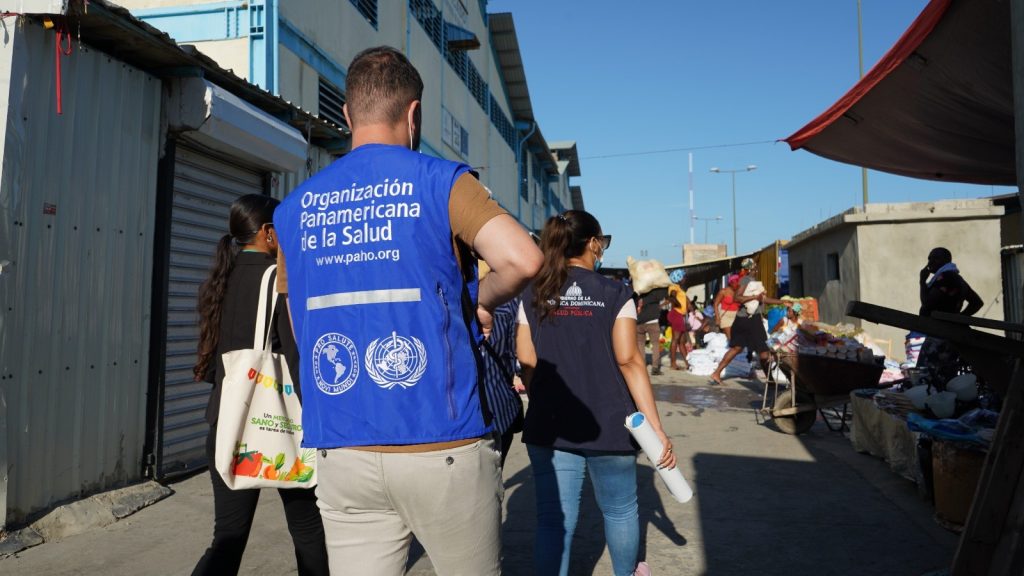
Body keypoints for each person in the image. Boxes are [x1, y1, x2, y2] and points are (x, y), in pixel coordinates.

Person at [272, 46, 542, 575]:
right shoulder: (441, 182)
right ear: (414, 114)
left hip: (340, 445)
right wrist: (480, 302)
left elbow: (300, 326)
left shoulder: (293, 209)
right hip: (440, 441)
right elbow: (523, 259)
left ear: (347, 115)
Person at [515, 210, 676, 576]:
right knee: (620, 511)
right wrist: (655, 428)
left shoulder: (535, 291)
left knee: (554, 522)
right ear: (592, 243)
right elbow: (630, 360)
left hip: (550, 423)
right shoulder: (615, 292)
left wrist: (541, 391)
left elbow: (526, 356)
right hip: (610, 421)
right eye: (602, 242)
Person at [192, 194, 328, 576]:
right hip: (282, 424)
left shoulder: (221, 276)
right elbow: (297, 360)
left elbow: (211, 363)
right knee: (307, 530)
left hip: (228, 422)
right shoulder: (278, 280)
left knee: (228, 536)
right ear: (269, 232)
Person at [710, 258, 792, 385]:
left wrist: (782, 302)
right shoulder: (747, 280)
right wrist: (755, 297)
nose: (756, 270)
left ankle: (716, 373)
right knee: (764, 352)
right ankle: (770, 380)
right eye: (754, 268)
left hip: (741, 320)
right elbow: (737, 298)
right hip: (751, 320)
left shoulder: (750, 281)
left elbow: (763, 299)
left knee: (737, 348)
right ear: (752, 269)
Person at [478, 261, 525, 467]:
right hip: (497, 406)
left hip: (452, 413)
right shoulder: (508, 302)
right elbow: (518, 353)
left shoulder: (443, 300)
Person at [916, 247, 984, 386]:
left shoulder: (945, 277)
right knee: (945, 380)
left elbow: (927, 303)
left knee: (928, 381)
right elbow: (977, 302)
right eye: (929, 258)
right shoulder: (957, 279)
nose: (930, 262)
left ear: (947, 260)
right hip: (949, 336)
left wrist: (922, 282)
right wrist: (958, 318)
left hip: (939, 338)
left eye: (936, 258)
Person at [635, 283, 669, 376]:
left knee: (640, 345)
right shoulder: (655, 293)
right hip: (652, 322)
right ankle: (655, 368)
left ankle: (642, 366)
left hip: (639, 322)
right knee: (655, 345)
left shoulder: (638, 293)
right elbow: (666, 293)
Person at [666, 270, 689, 370]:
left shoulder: (679, 287)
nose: (685, 279)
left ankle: (687, 363)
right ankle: (673, 363)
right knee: (675, 339)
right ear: (678, 278)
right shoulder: (674, 287)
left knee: (682, 341)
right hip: (676, 314)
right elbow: (671, 296)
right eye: (683, 277)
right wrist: (678, 304)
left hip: (680, 315)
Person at [713, 275, 741, 340]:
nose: (737, 285)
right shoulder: (723, 291)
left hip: (737, 316)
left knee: (738, 338)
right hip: (726, 316)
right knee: (731, 338)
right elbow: (715, 304)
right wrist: (717, 317)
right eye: (735, 283)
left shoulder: (739, 291)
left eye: (738, 283)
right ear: (730, 283)